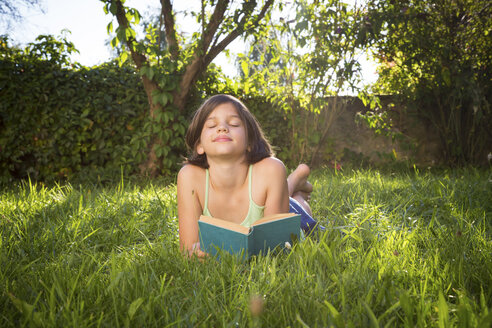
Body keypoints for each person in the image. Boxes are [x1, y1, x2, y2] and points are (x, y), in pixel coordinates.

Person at [177, 94, 321, 257]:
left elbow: (276, 246)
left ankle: (297, 182)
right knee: (287, 196)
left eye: (234, 123)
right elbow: (188, 249)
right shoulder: (189, 176)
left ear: (250, 142)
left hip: (285, 212)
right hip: (271, 199)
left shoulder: (271, 169)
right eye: (211, 125)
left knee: (299, 208)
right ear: (199, 145)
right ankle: (296, 181)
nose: (222, 128)